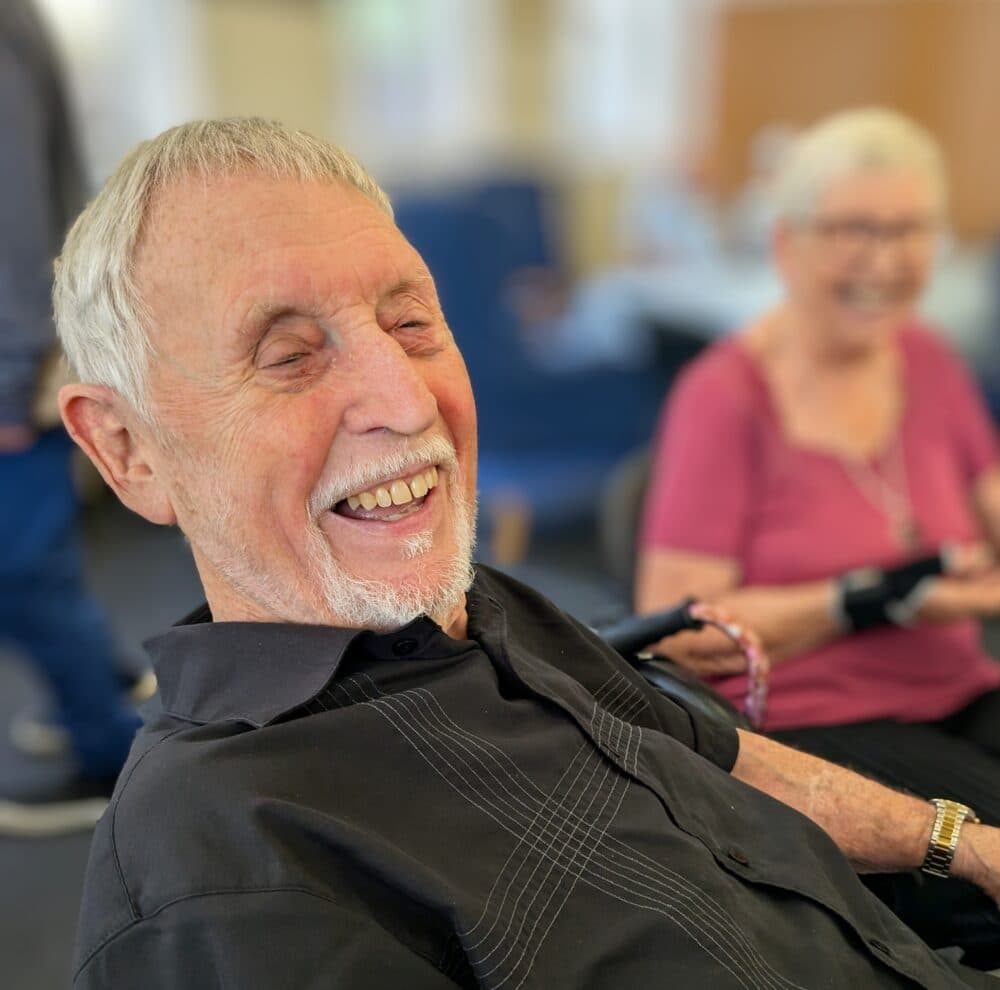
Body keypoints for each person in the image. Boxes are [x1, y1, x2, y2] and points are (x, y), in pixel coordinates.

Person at [52, 118, 1000, 989]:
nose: (408, 399)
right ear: (129, 452)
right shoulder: (220, 877)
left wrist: (958, 842)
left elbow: (712, 752)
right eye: (289, 355)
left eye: (410, 321)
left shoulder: (489, 608)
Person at [0, 0, 140, 837]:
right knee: (31, 567)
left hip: (11, 364)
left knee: (22, 572)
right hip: (19, 351)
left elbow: (11, 207)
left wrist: (10, 378)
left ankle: (109, 750)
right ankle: (100, 692)